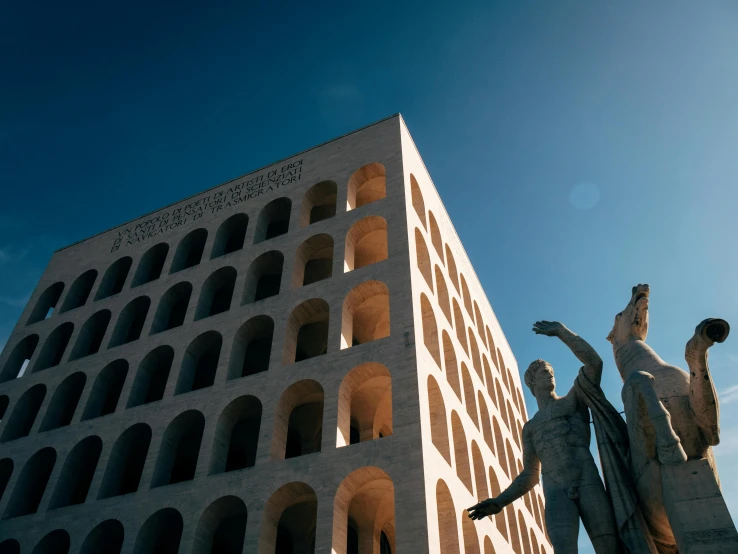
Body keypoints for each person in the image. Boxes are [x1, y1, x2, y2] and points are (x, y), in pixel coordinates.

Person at [467, 321, 620, 553]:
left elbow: (594, 363)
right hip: (556, 491)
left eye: (551, 371)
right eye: (543, 372)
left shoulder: (572, 401)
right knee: (563, 548)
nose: (549, 374)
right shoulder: (531, 428)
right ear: (531, 382)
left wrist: (562, 331)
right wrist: (500, 501)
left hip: (588, 481)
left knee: (609, 546)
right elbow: (530, 475)